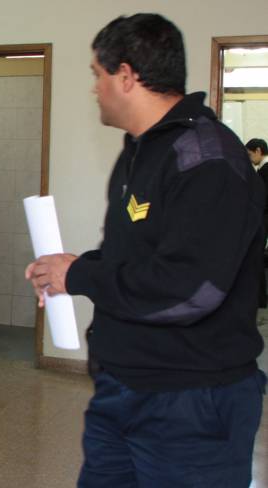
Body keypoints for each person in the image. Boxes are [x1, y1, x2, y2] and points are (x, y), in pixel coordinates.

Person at [26, 13, 266, 487]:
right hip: (123, 389)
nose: (94, 88)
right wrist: (67, 270)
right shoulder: (139, 152)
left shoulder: (208, 159)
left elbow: (189, 290)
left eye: (97, 74)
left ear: (126, 76)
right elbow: (137, 261)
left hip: (192, 402)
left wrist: (80, 276)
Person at [246, 138, 268, 307]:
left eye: (249, 154)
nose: (249, 158)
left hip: (264, 218)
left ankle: (261, 299)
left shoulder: (265, 171)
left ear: (258, 151)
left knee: (257, 256)